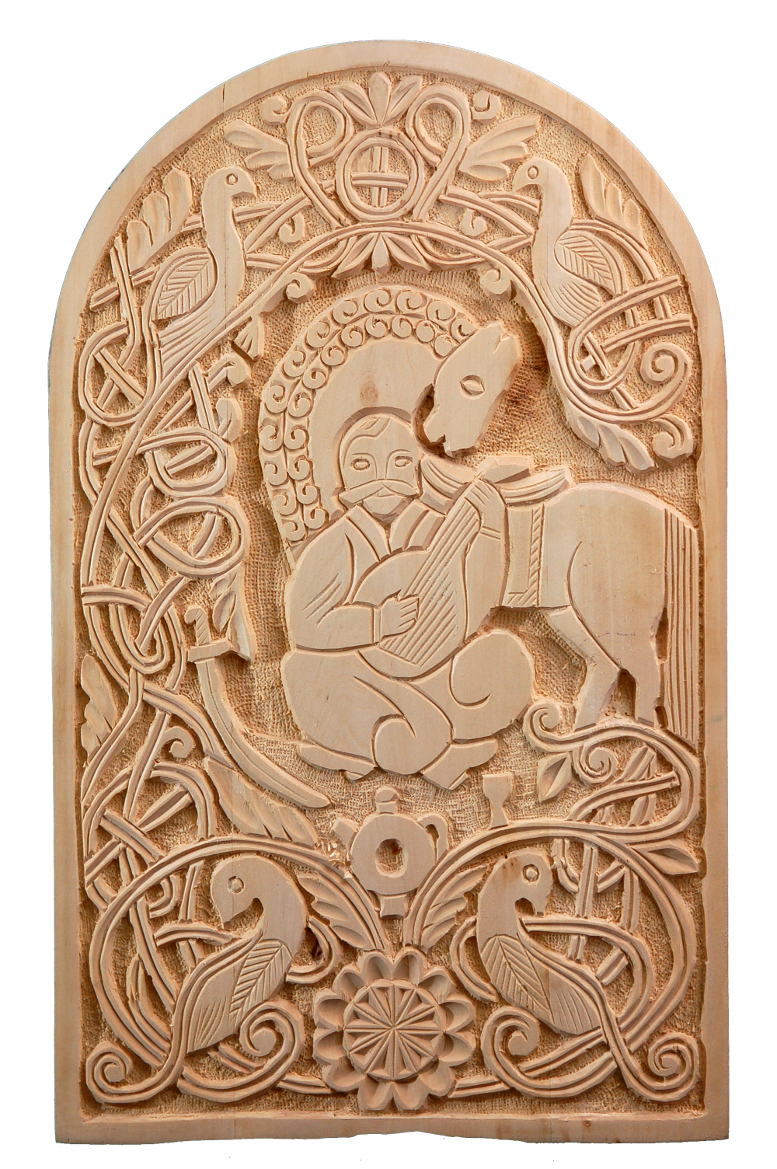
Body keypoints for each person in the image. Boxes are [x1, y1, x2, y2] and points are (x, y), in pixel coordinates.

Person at [281, 412, 533, 789]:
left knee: (507, 661)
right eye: (364, 464)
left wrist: (491, 528)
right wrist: (377, 622)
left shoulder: (433, 527)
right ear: (345, 476)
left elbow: (475, 603)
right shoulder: (337, 544)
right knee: (309, 673)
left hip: (429, 674)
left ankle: (421, 741)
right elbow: (305, 626)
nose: (383, 476)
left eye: (398, 460)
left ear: (415, 468)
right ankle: (417, 746)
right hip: (360, 675)